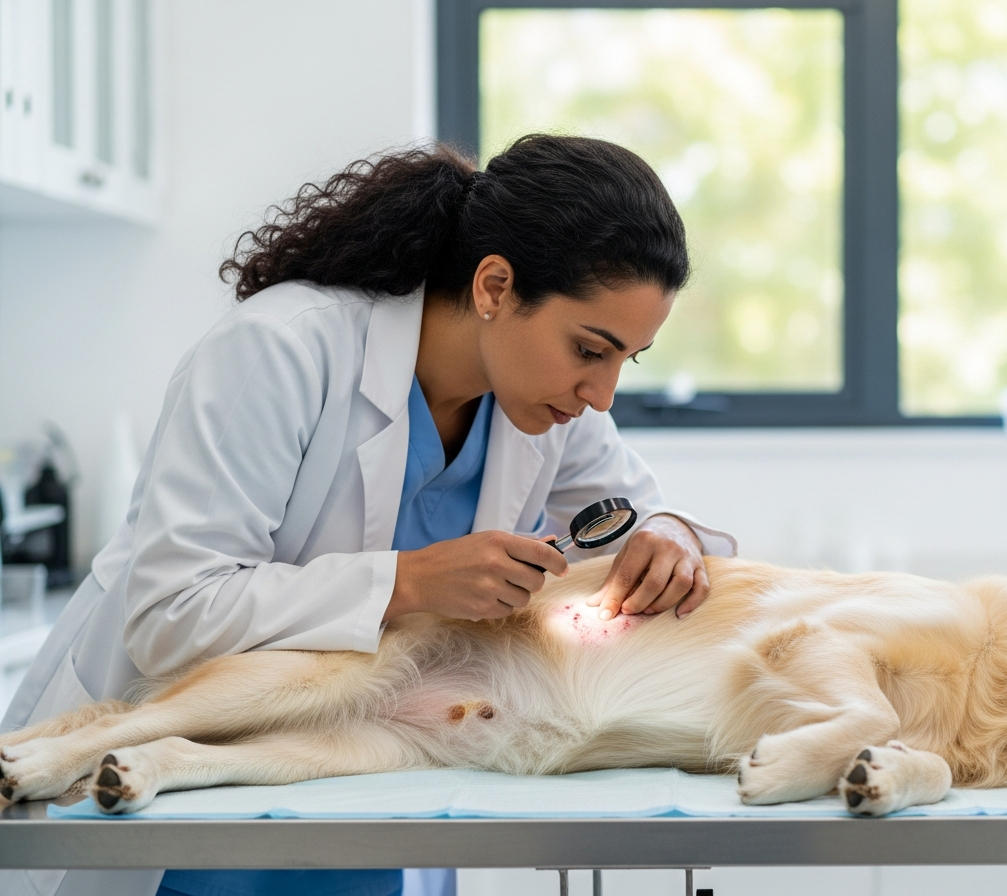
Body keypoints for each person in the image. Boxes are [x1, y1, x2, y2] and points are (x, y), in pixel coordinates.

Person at [0, 135, 735, 896]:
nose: (603, 393)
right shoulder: (283, 349)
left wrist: (669, 538)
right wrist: (406, 583)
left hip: (362, 803)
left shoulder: (550, 408)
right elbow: (170, 613)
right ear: (494, 286)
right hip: (180, 812)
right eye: (591, 349)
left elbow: (649, 515)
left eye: (627, 360)